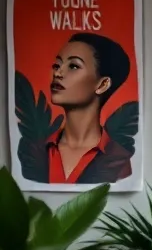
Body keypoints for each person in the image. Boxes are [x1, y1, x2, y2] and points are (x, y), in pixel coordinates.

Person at [21, 32, 134, 184]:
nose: (58, 73)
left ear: (102, 84)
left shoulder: (119, 162)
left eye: (73, 66)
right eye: (57, 65)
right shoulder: (33, 151)